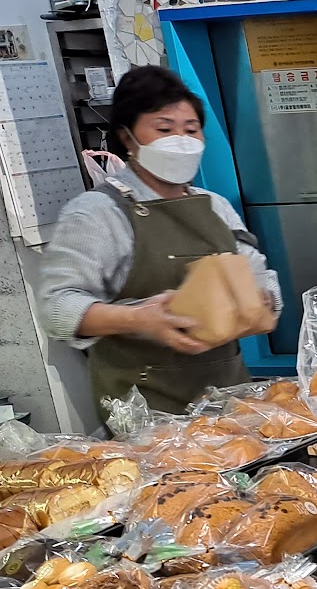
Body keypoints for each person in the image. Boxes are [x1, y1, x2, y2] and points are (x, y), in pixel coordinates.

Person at [38, 66, 281, 415]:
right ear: (127, 137)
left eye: (191, 129)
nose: (180, 141)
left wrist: (261, 301)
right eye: (164, 129)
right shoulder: (96, 212)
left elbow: (260, 276)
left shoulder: (215, 206)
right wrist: (138, 319)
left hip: (230, 399)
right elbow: (57, 308)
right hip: (145, 407)